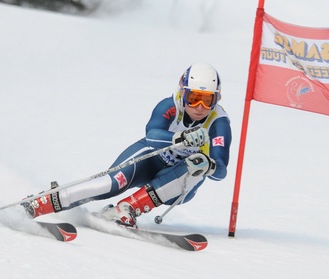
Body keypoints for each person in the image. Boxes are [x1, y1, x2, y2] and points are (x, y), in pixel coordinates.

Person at [22, 63, 232, 227]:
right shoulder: (170, 105)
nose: (200, 107)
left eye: (208, 100)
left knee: (198, 165)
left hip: (176, 186)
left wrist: (209, 165)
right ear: (183, 93)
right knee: (109, 184)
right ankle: (42, 202)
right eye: (194, 98)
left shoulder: (218, 122)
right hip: (150, 160)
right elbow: (152, 134)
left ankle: (126, 209)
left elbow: (221, 170)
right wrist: (179, 138)